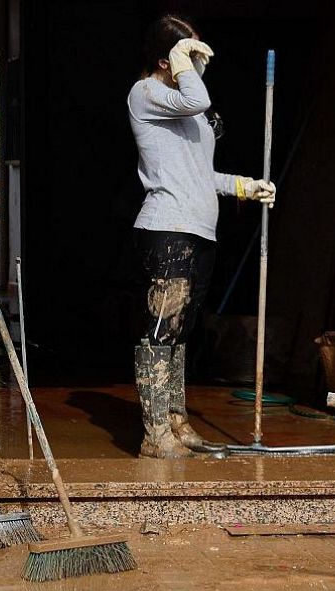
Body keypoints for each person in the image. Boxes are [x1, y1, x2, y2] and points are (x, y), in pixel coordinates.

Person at [127, 15, 277, 458]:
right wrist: (184, 65)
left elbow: (199, 174)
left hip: (200, 228)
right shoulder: (146, 93)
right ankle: (155, 435)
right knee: (161, 329)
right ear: (164, 59)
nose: (196, 61)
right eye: (187, 54)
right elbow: (197, 97)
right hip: (166, 229)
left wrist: (243, 186)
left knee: (181, 331)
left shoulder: (189, 113)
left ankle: (177, 422)